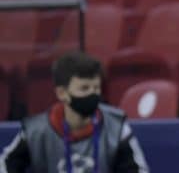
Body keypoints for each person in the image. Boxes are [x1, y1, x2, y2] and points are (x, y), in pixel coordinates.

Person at [0, 51, 149, 172]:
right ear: (62, 93)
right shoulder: (36, 131)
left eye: (96, 88)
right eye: (84, 88)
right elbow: (5, 165)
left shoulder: (116, 127)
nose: (92, 94)